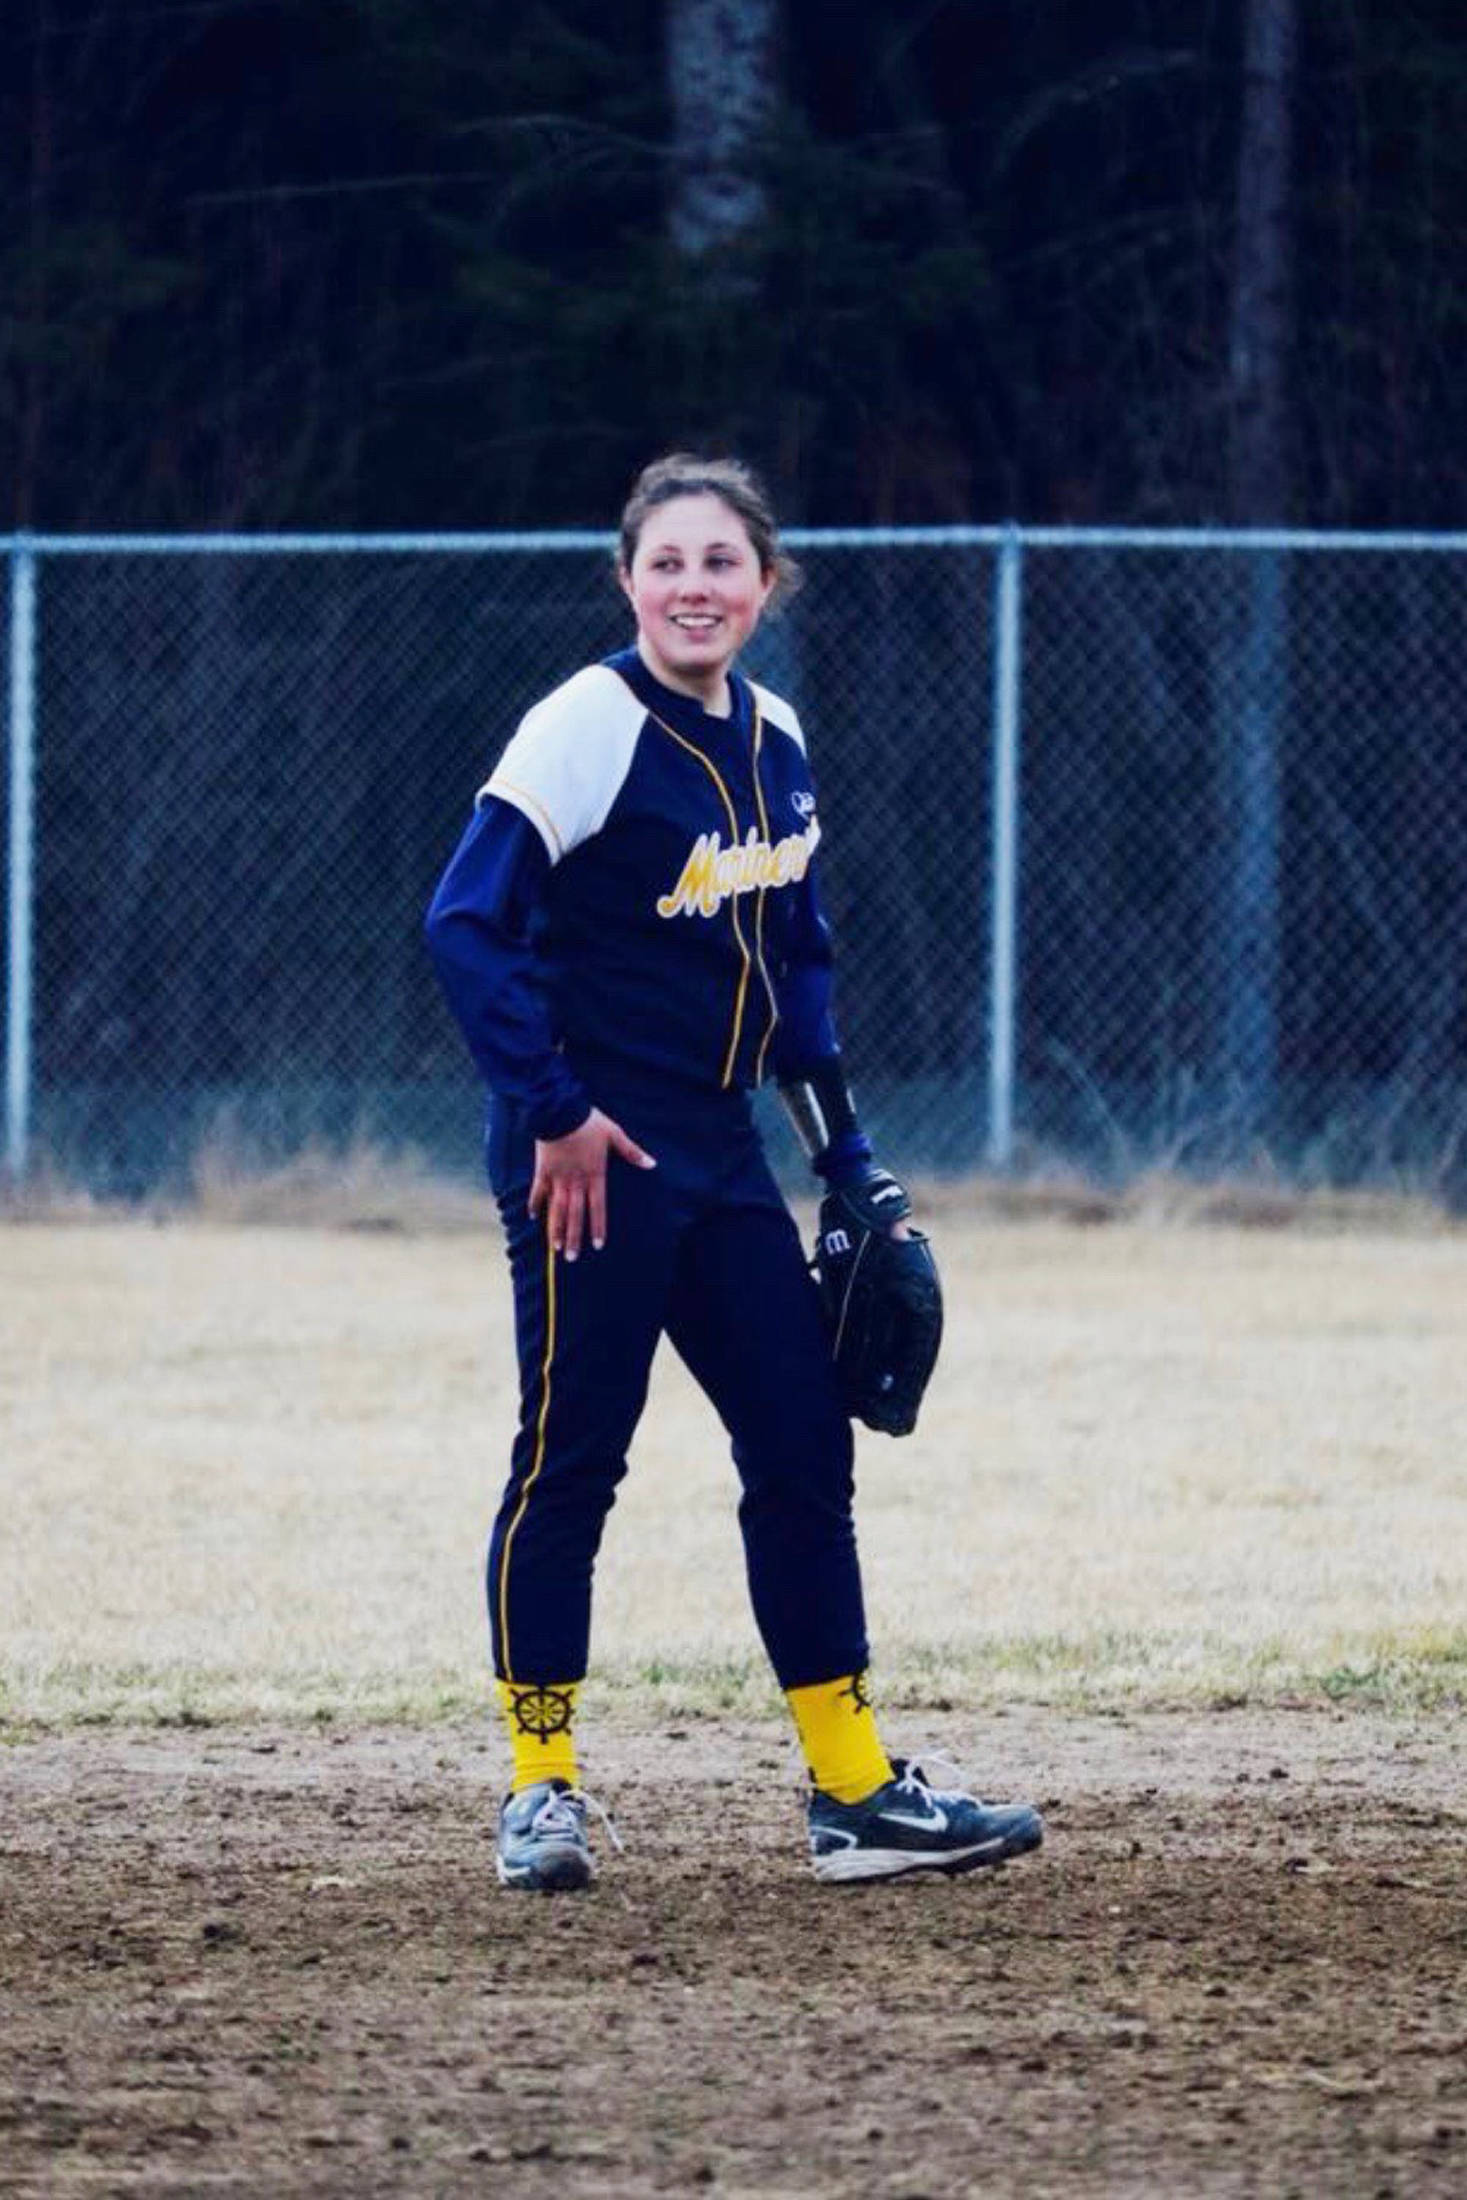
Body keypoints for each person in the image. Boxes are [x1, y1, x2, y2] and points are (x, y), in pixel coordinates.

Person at [425, 452, 1042, 1890]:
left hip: (718, 1148)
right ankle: (541, 1788)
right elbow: (466, 924)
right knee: (573, 1454)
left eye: (721, 563)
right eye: (666, 561)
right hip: (593, 1148)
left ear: (766, 583)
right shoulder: (585, 726)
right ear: (626, 579)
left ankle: (853, 1796)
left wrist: (852, 1164)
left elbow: (797, 969)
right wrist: (554, 1112)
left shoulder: (775, 735)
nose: (693, 586)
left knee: (802, 1446)